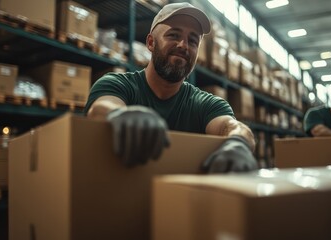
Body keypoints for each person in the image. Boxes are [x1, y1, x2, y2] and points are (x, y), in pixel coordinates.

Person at [84, 2, 258, 173]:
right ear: (151, 43)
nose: (183, 45)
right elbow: (100, 108)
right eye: (174, 35)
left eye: (192, 41)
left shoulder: (206, 104)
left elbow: (230, 126)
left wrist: (239, 142)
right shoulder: (118, 84)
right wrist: (117, 113)